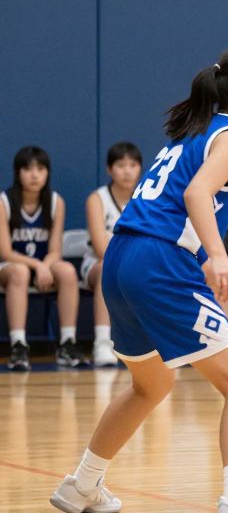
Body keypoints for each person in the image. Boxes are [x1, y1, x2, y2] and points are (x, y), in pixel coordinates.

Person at [50, 46, 228, 513]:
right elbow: (196, 194)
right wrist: (218, 256)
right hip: (158, 261)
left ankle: (82, 484)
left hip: (122, 258)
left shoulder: (195, 131)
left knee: (152, 384)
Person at [0, 145, 89, 370]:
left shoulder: (56, 202)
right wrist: (39, 265)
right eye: (28, 169)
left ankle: (68, 343)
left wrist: (45, 266)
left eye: (40, 169)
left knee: (67, 271)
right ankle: (18, 345)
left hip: (44, 264)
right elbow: (6, 252)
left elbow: (55, 250)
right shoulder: (4, 202)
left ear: (47, 172)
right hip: (10, 266)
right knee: (19, 272)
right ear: (18, 172)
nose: (34, 175)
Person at [82, 142, 143, 367]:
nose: (127, 171)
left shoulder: (146, 198)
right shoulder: (97, 199)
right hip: (97, 264)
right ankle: (103, 342)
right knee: (106, 268)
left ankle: (156, 341)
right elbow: (100, 247)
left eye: (133, 165)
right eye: (120, 165)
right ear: (109, 169)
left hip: (137, 264)